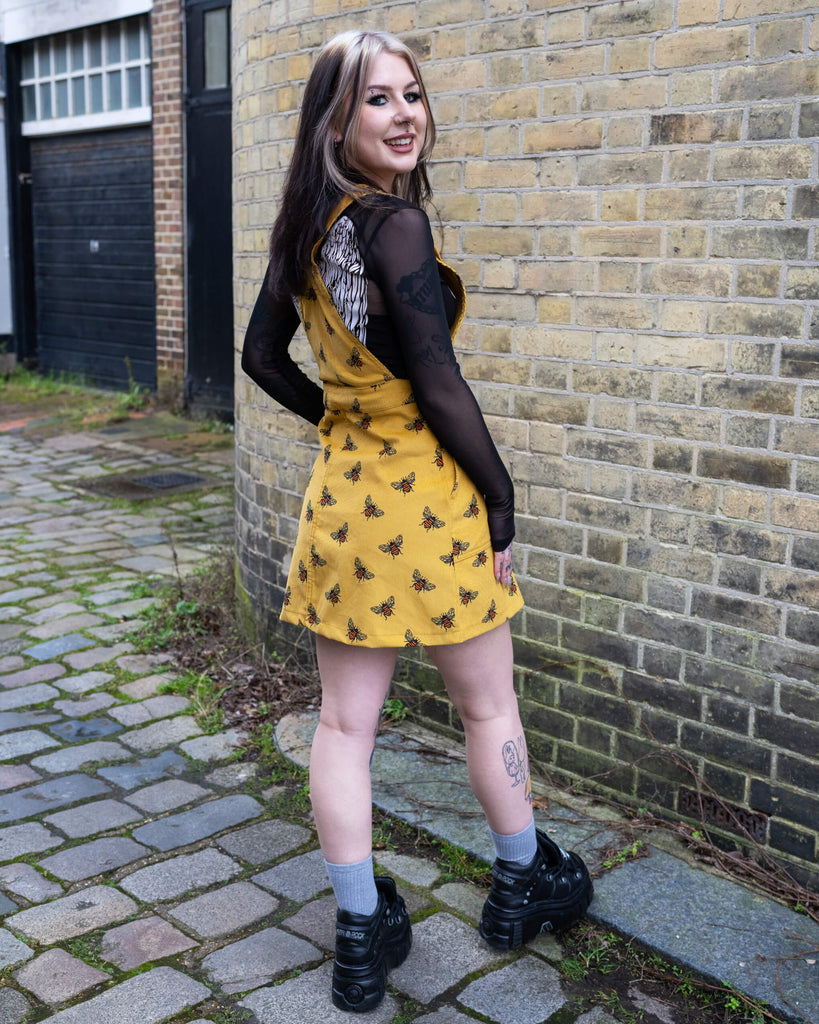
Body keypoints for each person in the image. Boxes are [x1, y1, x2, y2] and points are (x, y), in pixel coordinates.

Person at [242, 28, 593, 1013]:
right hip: (431, 502)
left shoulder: (301, 230)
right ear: (335, 121)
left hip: (344, 503)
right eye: (377, 100)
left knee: (345, 727)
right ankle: (524, 879)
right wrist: (503, 497)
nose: (405, 116)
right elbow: (439, 385)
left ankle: (361, 935)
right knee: (487, 707)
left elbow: (261, 358)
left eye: (414, 94)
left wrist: (343, 423)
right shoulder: (392, 227)